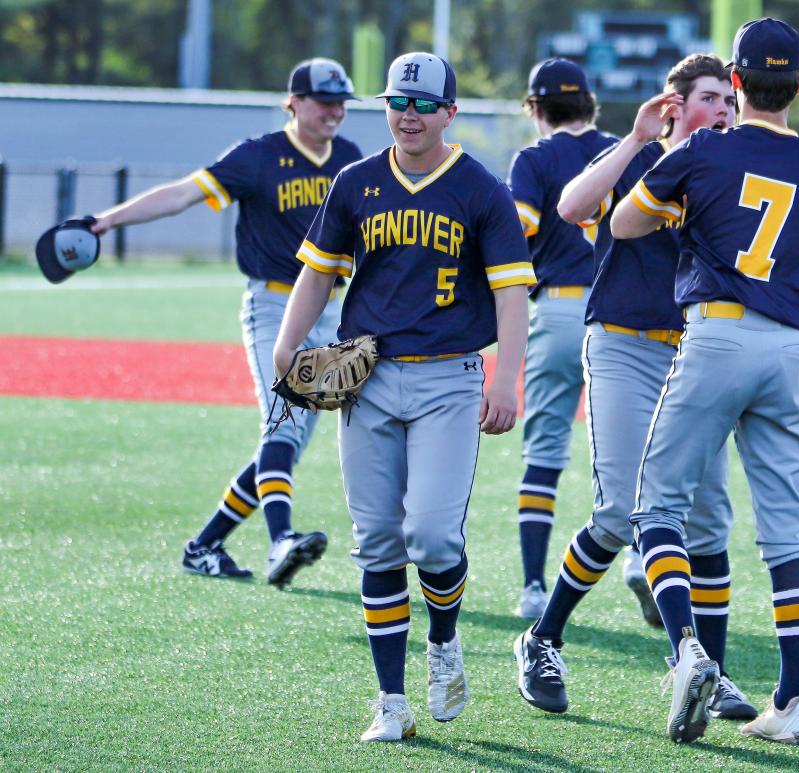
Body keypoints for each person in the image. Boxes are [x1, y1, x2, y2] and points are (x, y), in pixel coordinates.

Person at [610, 18, 799, 745]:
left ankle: (690, 650)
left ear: (738, 83)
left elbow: (626, 223)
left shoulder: (704, 148)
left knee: (657, 503)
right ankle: (791, 702)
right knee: (786, 531)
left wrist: (677, 174)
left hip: (716, 332)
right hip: (788, 347)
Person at [273, 52, 534, 743]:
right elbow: (318, 274)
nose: (409, 115)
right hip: (368, 378)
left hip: (450, 378)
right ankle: (391, 700)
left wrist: (507, 377)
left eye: (424, 104)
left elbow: (512, 290)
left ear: (450, 112)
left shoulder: (478, 187)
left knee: (432, 533)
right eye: (398, 102)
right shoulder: (357, 181)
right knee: (379, 541)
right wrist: (286, 344)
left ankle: (444, 640)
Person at [514, 53, 756, 722]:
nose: (725, 110)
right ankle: (541, 638)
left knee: (708, 519)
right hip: (622, 343)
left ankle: (715, 668)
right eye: (711, 97)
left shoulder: (733, 181)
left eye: (731, 101)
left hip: (697, 358)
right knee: (622, 509)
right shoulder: (645, 165)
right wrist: (637, 138)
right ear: (676, 105)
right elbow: (572, 207)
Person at [90, 58, 363, 586]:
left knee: (288, 441)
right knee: (281, 418)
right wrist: (105, 221)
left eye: (341, 101)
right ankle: (280, 540)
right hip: (273, 306)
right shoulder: (259, 155)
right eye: (324, 99)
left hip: (332, 310)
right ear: (294, 102)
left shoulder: (350, 158)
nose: (335, 110)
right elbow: (183, 193)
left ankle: (205, 545)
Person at [506, 58, 618, 620]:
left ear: (535, 108)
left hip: (557, 310)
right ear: (590, 104)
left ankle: (532, 584)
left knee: (544, 450)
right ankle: (645, 561)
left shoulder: (535, 158)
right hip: (621, 318)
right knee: (634, 453)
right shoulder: (624, 148)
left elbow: (517, 229)